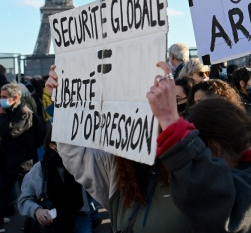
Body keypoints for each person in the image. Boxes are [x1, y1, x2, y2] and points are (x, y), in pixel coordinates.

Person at [146, 65, 251, 233]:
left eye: (206, 155)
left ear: (215, 148)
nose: (210, 166)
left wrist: (172, 126)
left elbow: (215, 201)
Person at [45, 65, 192, 232]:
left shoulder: (195, 170)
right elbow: (75, 154)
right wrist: (63, 102)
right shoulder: (118, 169)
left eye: (171, 102)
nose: (155, 111)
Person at [18, 125, 92, 232]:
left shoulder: (81, 162)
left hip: (81, 219)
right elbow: (24, 200)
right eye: (66, 143)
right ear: (53, 146)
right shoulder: (40, 169)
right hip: (53, 223)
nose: (73, 147)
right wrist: (37, 211)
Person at [0, 82, 36, 233]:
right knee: (2, 192)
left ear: (15, 98)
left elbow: (8, 131)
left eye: (4, 97)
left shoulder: (24, 112)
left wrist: (1, 115)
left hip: (23, 162)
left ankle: (30, 224)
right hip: (6, 161)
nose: (1, 99)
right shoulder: (9, 112)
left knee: (27, 194)